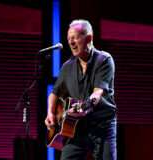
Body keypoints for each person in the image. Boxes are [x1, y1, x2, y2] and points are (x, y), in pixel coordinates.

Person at [45, 19, 117, 160]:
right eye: (69, 38)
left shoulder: (104, 60)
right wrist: (50, 113)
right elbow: (55, 92)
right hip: (76, 127)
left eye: (75, 37)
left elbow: (98, 92)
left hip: (102, 126)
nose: (71, 42)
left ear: (89, 38)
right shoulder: (67, 66)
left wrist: (85, 107)